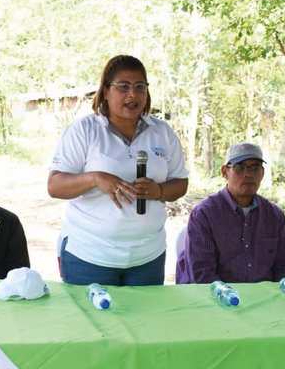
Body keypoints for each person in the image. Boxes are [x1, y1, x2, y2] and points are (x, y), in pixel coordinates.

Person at [48, 55, 189, 286]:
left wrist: (159, 191)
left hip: (147, 257)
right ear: (105, 91)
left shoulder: (162, 132)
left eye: (140, 86)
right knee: (92, 322)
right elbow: (54, 186)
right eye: (123, 86)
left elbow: (180, 183)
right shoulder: (84, 130)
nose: (132, 94)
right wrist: (95, 178)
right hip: (90, 256)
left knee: (144, 322)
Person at [176, 142, 285, 284]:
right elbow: (202, 274)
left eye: (255, 168)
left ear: (262, 173)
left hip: (265, 299)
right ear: (225, 172)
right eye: (239, 168)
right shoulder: (204, 214)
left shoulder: (274, 216)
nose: (248, 174)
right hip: (215, 298)